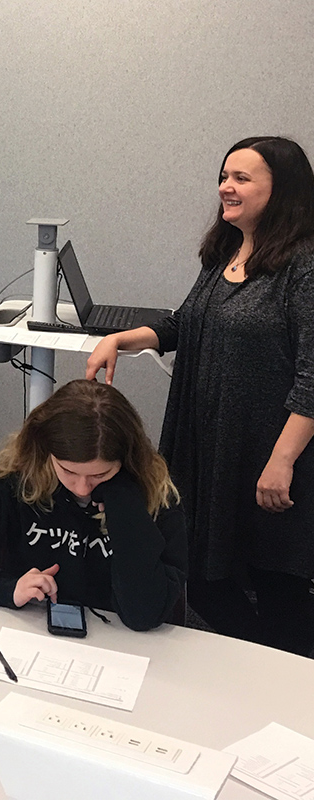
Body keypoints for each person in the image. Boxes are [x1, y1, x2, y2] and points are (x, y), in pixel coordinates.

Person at [86, 136, 314, 655]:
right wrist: (122, 338)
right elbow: (183, 324)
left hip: (271, 456)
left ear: (283, 190)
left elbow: (313, 376)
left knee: (278, 586)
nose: (225, 188)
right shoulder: (227, 251)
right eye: (224, 176)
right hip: (207, 447)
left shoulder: (304, 266)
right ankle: (258, 665)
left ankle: (288, 689)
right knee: (202, 573)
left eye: (241, 179)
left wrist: (281, 463)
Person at [0, 380, 186, 631]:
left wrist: (126, 511)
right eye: (68, 471)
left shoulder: (156, 497)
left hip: (120, 639)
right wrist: (7, 588)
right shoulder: (16, 481)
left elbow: (145, 615)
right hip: (29, 627)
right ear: (47, 453)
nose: (82, 488)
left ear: (125, 462)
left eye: (99, 475)